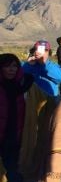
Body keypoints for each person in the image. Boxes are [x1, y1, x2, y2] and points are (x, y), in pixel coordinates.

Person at [19, 40, 61, 180]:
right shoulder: (27, 65)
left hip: (49, 106)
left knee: (46, 138)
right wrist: (28, 64)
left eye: (44, 50)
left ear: (48, 53)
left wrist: (44, 64)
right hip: (29, 111)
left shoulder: (53, 67)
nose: (40, 53)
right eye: (37, 50)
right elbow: (16, 75)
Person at [0, 53, 33, 182]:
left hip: (14, 137)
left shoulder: (25, 86)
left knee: (13, 171)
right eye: (7, 66)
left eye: (14, 66)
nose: (11, 69)